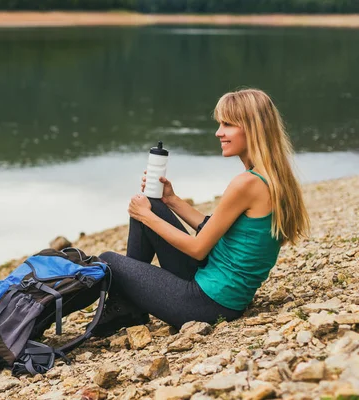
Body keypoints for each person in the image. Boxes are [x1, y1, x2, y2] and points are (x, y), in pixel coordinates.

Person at [93, 88, 310, 337]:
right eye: (220, 124)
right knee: (151, 202)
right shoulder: (269, 176)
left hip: (207, 304)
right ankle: (128, 306)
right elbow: (214, 227)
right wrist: (171, 200)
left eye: (228, 124)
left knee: (108, 258)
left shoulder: (247, 183)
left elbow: (198, 248)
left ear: (253, 128)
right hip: (220, 290)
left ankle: (126, 306)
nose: (219, 132)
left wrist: (145, 216)